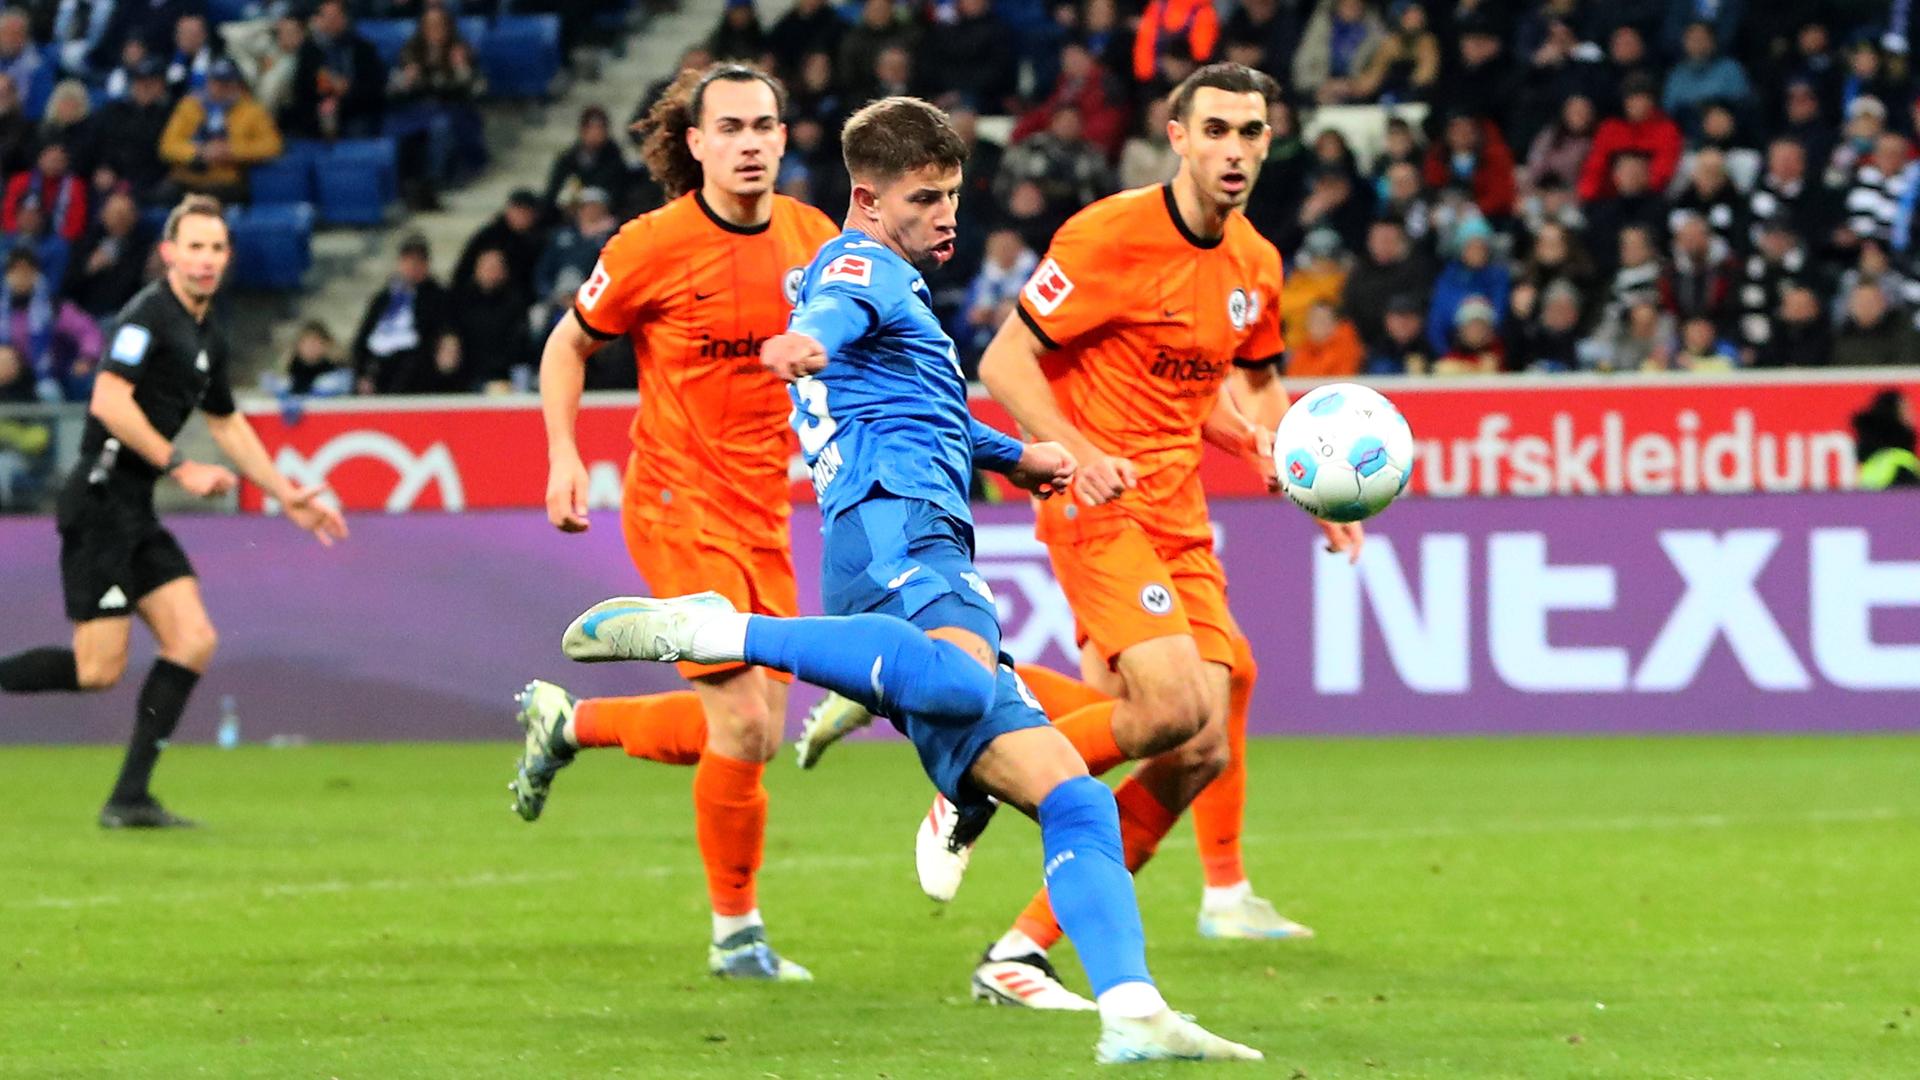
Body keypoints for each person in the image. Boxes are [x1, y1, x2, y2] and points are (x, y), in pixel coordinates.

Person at [563, 91, 1260, 1065]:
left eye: (954, 196)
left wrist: (1014, 456)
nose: (948, 216)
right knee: (969, 682)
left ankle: (1132, 1008)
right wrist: (813, 342)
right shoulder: (859, 269)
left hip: (933, 538)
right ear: (868, 197)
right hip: (890, 537)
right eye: (929, 198)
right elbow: (839, 316)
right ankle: (725, 634)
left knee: (1075, 798)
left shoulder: (887, 281)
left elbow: (925, 406)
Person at [508, 63, 841, 983]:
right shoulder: (652, 244)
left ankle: (570, 724)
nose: (748, 143)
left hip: (762, 511)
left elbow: (865, 337)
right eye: (729, 127)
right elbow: (569, 343)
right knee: (740, 724)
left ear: (783, 138)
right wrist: (565, 455)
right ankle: (737, 934)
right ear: (694, 144)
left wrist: (828, 352)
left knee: (755, 733)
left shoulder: (816, 240)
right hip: (674, 501)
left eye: (764, 126)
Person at [0, 195, 347, 828]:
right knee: (97, 669)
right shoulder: (147, 316)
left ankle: (129, 798)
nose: (206, 259)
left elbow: (228, 422)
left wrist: (284, 492)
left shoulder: (208, 332)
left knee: (192, 640)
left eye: (216, 248)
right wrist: (177, 465)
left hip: (134, 508)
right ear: (169, 254)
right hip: (101, 503)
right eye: (194, 246)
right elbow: (107, 399)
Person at [158, 59, 283, 203]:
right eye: (216, 82)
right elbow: (167, 145)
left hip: (225, 181)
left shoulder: (252, 110)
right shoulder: (190, 106)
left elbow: (273, 146)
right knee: (160, 197)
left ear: (237, 84)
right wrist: (199, 152)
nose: (221, 88)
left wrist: (231, 151)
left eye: (227, 83)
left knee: (208, 202)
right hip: (186, 178)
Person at [350, 233, 453, 394]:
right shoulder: (384, 298)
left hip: (415, 368)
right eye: (407, 260)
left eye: (417, 261)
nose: (412, 266)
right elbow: (362, 340)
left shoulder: (438, 297)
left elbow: (442, 332)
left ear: (426, 265)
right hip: (380, 366)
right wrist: (362, 374)